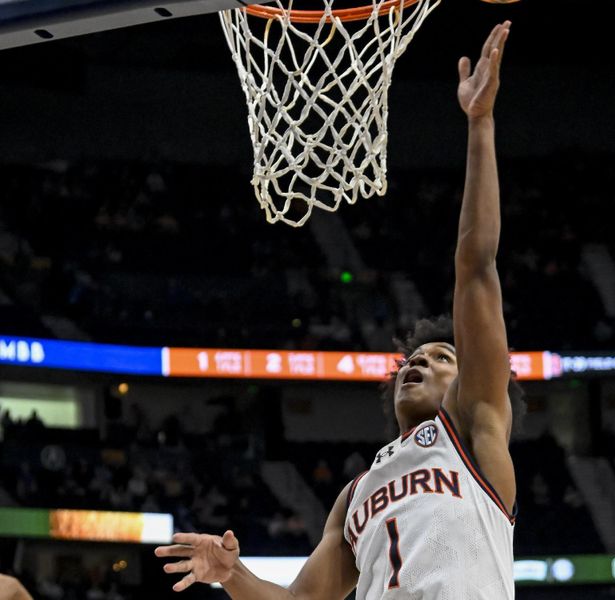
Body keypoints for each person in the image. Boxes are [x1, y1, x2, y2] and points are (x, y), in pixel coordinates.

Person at [155, 21, 518, 599]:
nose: (416, 363)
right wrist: (234, 576)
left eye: (441, 355)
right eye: (412, 358)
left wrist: (480, 125)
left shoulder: (475, 428)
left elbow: (476, 267)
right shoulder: (355, 494)